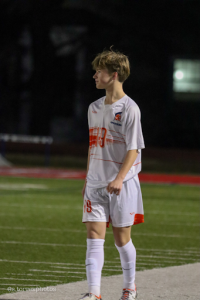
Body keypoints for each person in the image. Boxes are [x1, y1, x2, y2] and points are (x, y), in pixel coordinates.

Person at [80, 48, 145, 300]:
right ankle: (94, 294)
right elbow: (92, 145)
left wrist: (119, 178)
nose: (94, 75)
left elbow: (133, 148)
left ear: (114, 74)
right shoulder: (93, 108)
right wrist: (87, 178)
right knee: (94, 236)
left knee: (121, 239)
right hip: (95, 183)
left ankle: (129, 287)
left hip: (122, 184)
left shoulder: (130, 108)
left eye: (99, 71)